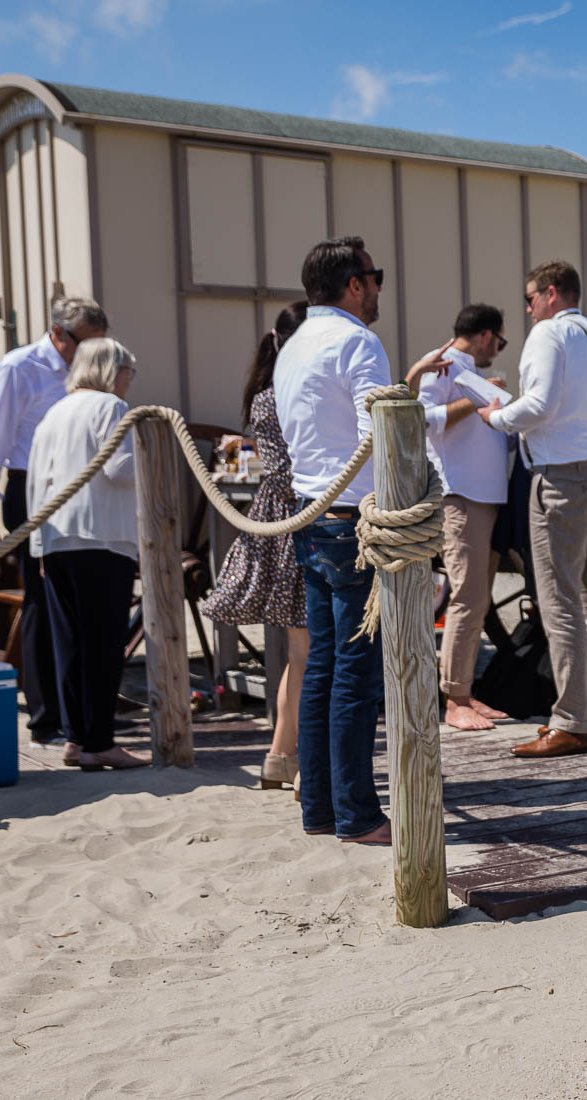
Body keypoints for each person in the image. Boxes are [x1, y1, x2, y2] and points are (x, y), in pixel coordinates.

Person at [475, 261, 587, 759]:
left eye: (529, 298)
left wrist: (496, 416)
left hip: (562, 478)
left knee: (560, 600)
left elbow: (539, 404)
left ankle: (569, 721)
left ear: (549, 294)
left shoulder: (547, 335)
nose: (526, 309)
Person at [274, 236, 395, 845]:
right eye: (375, 278)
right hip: (351, 519)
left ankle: (321, 809)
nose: (378, 290)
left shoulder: (293, 346)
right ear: (354, 284)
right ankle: (357, 815)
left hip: (310, 512)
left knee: (322, 664)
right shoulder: (358, 342)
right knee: (355, 671)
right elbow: (382, 431)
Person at [0, 296, 110, 745]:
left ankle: (81, 711)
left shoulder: (88, 368)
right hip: (31, 491)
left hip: (80, 490)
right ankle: (47, 715)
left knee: (81, 601)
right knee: (44, 602)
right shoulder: (19, 367)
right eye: (86, 345)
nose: (93, 357)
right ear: (58, 335)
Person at [201, 301, 312, 789]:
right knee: (311, 651)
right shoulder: (292, 394)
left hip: (276, 520)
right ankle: (299, 759)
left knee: (300, 651)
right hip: (302, 520)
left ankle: (280, 755)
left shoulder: (265, 395)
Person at [26, 337, 147, 771]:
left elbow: (35, 482)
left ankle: (76, 737)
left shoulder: (52, 415)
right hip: (102, 538)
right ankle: (99, 740)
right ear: (113, 371)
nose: (129, 382)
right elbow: (120, 469)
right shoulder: (111, 408)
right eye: (128, 373)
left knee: (69, 643)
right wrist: (156, 451)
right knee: (102, 643)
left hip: (57, 539)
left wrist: (38, 543)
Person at [418, 303, 513, 731]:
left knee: (476, 600)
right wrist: (476, 395)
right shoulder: (442, 365)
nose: (499, 348)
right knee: (467, 598)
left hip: (484, 497)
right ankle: (455, 699)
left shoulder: (466, 369)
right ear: (486, 335)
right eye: (501, 340)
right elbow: (422, 419)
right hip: (461, 496)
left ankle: (465, 692)